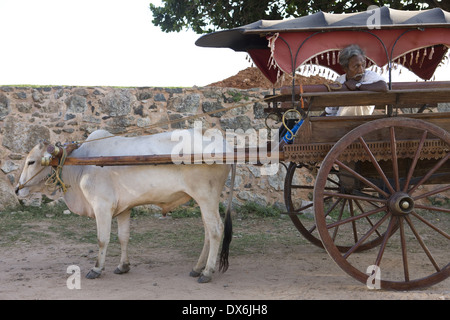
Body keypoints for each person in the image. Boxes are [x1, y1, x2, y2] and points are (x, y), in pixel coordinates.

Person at [325, 44, 388, 117]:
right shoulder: (339, 81)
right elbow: (330, 110)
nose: (361, 70)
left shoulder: (369, 76)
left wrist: (358, 86)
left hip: (361, 122)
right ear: (345, 68)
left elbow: (383, 86)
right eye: (356, 66)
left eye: (363, 65)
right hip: (339, 122)